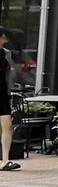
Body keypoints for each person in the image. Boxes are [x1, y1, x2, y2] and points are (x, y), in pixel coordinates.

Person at [0, 29, 17, 171]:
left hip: (3, 93)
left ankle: (5, 160)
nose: (4, 40)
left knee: (7, 125)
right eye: (3, 37)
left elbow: (9, 73)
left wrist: (10, 90)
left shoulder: (6, 54)